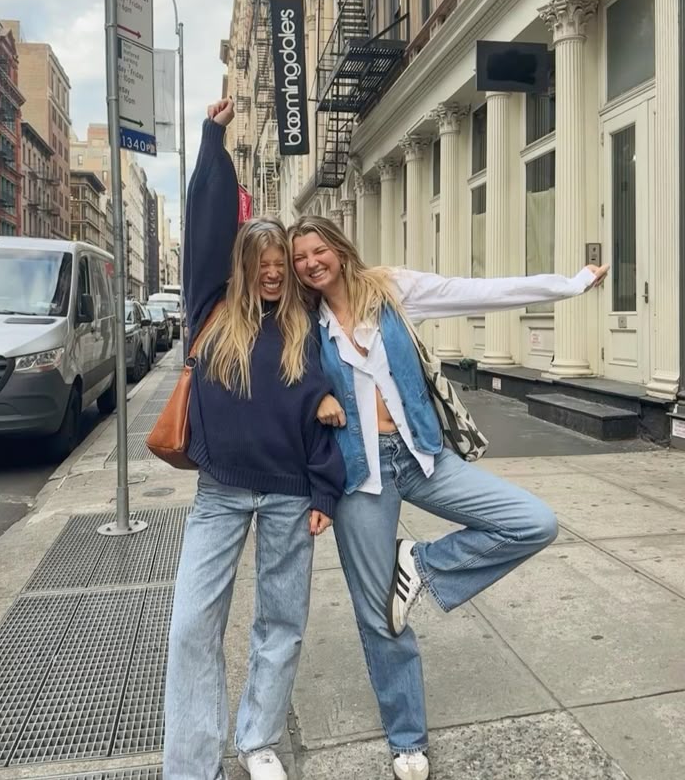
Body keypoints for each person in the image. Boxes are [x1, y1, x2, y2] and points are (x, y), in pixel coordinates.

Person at [288, 215, 609, 780]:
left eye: (319, 251)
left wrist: (570, 284)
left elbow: (476, 291)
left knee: (533, 522)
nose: (311, 263)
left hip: (422, 458)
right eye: (300, 258)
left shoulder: (388, 288)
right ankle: (407, 737)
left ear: (340, 249)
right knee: (378, 615)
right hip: (360, 476)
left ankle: (422, 565)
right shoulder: (300, 321)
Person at [164, 103, 345, 780]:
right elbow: (206, 222)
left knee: (282, 622)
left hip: (291, 494)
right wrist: (213, 143)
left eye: (282, 262)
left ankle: (259, 737)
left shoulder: (305, 320)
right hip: (221, 493)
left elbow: (325, 407)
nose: (274, 271)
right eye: (263, 261)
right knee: (190, 627)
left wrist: (326, 484)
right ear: (245, 265)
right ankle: (191, 762)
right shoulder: (210, 309)